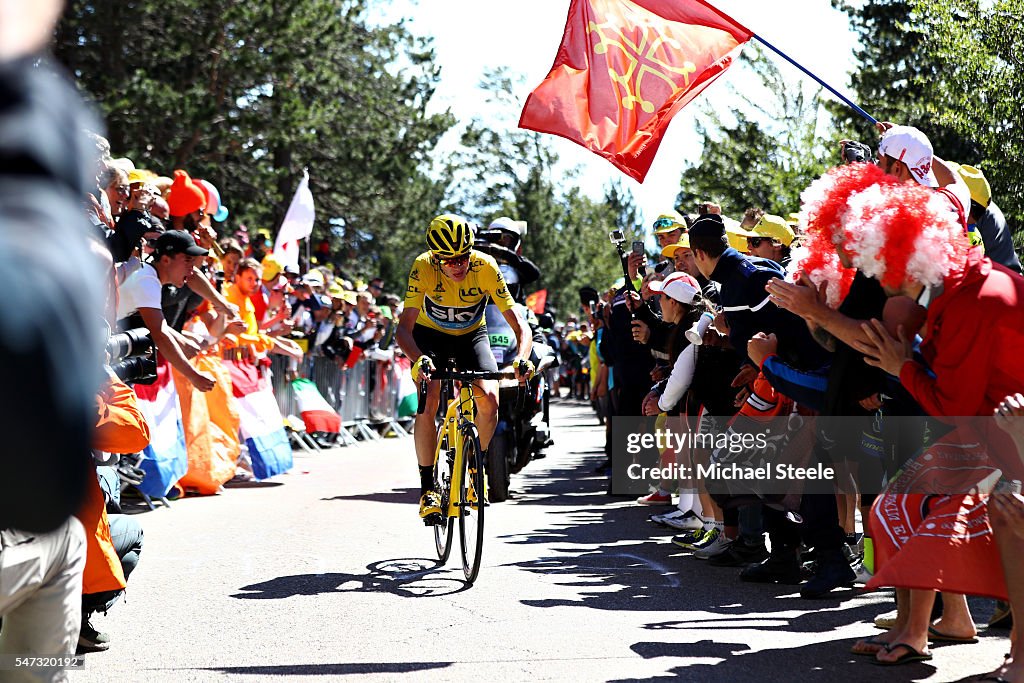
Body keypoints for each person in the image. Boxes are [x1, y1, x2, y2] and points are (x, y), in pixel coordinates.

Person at [396, 215, 533, 522]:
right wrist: (419, 359)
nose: (458, 266)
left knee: (490, 402)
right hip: (429, 338)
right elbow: (403, 330)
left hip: (472, 336)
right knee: (428, 401)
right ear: (436, 258)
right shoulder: (423, 266)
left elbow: (519, 325)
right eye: (449, 261)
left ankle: (475, 470)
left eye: (463, 258)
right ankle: (428, 488)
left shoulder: (485, 266)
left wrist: (522, 358)